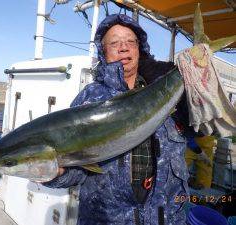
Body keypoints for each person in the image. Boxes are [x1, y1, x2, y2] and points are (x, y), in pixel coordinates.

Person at [44, 14, 189, 225]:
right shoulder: (89, 99)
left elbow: (200, 128)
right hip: (108, 219)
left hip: (166, 218)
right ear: (103, 52)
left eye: (130, 42)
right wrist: (57, 174)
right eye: (114, 43)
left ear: (140, 48)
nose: (124, 48)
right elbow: (78, 169)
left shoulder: (164, 90)